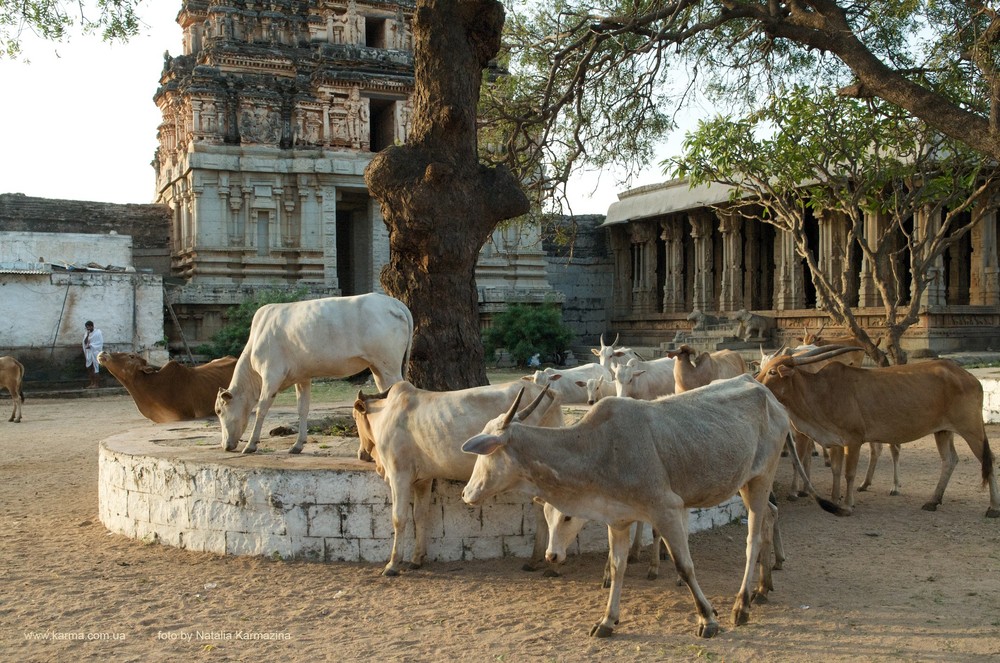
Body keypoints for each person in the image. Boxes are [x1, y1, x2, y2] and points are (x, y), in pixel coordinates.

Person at [82, 321, 104, 389]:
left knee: (95, 368)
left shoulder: (98, 332)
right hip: (89, 352)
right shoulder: (87, 333)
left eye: (89, 327)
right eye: (87, 328)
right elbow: (85, 342)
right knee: (89, 368)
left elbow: (100, 343)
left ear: (92, 326)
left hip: (95, 352)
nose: (88, 329)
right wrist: (88, 335)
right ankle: (92, 383)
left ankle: (96, 384)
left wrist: (91, 345)